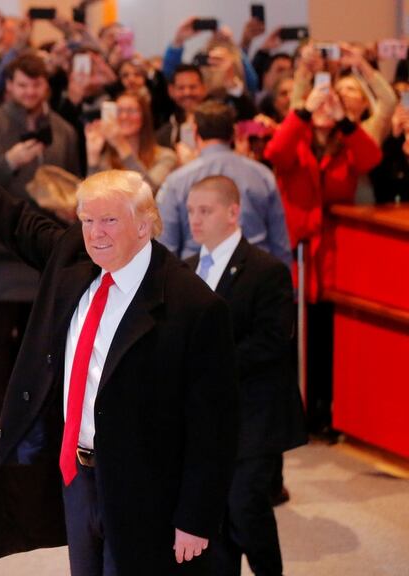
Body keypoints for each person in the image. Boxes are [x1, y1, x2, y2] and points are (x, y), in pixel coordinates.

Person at [0, 92, 238, 573]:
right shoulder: (73, 260)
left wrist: (196, 518)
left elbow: (213, 430)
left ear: (146, 224)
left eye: (110, 221)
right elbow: (14, 219)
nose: (96, 233)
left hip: (146, 489)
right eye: (87, 220)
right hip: (78, 476)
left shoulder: (194, 307)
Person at [184, 176, 307, 576]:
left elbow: (273, 342)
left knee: (245, 505)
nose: (195, 220)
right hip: (207, 417)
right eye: (190, 211)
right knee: (216, 512)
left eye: (205, 211)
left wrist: (208, 365)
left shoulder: (266, 269)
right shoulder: (184, 270)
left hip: (255, 414)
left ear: (233, 213)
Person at [0, 51, 81, 443]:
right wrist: (10, 161)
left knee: (48, 340)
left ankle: (43, 414)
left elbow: (74, 179)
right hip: (3, 248)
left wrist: (72, 204)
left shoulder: (63, 128)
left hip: (50, 246)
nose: (29, 91)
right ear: (9, 86)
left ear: (45, 86)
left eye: (36, 84)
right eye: (21, 84)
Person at [264, 83, 382, 437]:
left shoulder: (347, 147)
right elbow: (275, 152)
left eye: (331, 102)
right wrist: (301, 112)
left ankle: (326, 412)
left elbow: (371, 158)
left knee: (328, 337)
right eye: (319, 101)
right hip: (297, 252)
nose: (324, 107)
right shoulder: (294, 142)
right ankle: (295, 412)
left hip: (333, 255)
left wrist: (345, 120)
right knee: (294, 335)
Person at [158, 101, 292, 263]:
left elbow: (166, 249)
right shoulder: (262, 175)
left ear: (195, 133)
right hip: (255, 276)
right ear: (234, 134)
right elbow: (280, 245)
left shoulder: (177, 181)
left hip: (198, 279)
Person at [85, 91, 179, 192]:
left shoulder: (166, 157)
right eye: (119, 111)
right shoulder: (106, 160)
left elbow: (149, 190)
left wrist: (121, 145)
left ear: (144, 117)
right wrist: (93, 157)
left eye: (131, 111)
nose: (124, 116)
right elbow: (90, 197)